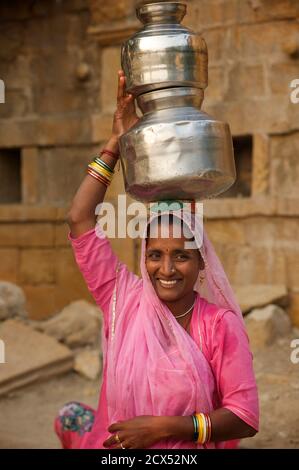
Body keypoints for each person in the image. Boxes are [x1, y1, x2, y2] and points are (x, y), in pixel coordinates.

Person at [54, 71, 259, 449]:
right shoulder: (122, 300)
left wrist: (164, 428)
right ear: (143, 257)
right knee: (67, 414)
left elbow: (244, 418)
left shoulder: (219, 326)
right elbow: (80, 218)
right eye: (155, 255)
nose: (166, 269)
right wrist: (115, 143)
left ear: (202, 263)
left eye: (181, 255)